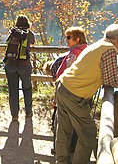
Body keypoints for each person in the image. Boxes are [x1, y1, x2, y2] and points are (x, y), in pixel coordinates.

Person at [55, 24, 118, 164]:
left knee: (64, 130)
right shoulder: (110, 50)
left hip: (63, 86)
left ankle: (61, 162)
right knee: (88, 135)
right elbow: (111, 80)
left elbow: (102, 72)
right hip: (75, 94)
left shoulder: (98, 45)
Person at [50, 26, 88, 155]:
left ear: (77, 39)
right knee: (75, 122)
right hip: (81, 92)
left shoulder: (74, 54)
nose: (66, 40)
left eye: (68, 37)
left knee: (62, 122)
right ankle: (72, 147)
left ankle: (59, 150)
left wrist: (57, 96)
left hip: (68, 92)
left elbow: (67, 75)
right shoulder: (86, 51)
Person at [4, 14, 35, 121]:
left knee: (13, 90)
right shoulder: (29, 34)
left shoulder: (13, 33)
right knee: (27, 88)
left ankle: (14, 116)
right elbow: (33, 42)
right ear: (27, 23)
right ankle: (28, 112)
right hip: (24, 66)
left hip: (10, 65)